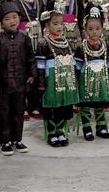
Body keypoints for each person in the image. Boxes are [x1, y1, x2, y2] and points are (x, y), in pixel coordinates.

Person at [0, 2, 35, 156]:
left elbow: (30, 58)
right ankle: (4, 141)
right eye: (7, 18)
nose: (12, 21)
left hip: (20, 82)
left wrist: (32, 74)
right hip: (2, 83)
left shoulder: (25, 38)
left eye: (15, 17)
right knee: (3, 113)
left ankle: (17, 139)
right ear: (1, 22)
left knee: (18, 112)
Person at [35, 10, 79, 147]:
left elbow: (72, 61)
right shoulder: (43, 43)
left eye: (61, 23)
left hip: (65, 80)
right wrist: (42, 83)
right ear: (47, 26)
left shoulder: (65, 41)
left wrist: (74, 78)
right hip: (51, 81)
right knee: (52, 107)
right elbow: (40, 65)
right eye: (55, 24)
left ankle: (61, 131)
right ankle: (51, 132)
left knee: (64, 106)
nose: (59, 27)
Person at [74, 14, 109, 141]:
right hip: (86, 83)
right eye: (90, 29)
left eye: (97, 28)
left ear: (102, 30)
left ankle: (101, 127)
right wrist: (76, 82)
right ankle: (87, 129)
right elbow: (77, 67)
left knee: (100, 105)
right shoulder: (80, 49)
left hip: (102, 82)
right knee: (85, 106)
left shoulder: (106, 47)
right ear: (85, 30)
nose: (94, 32)